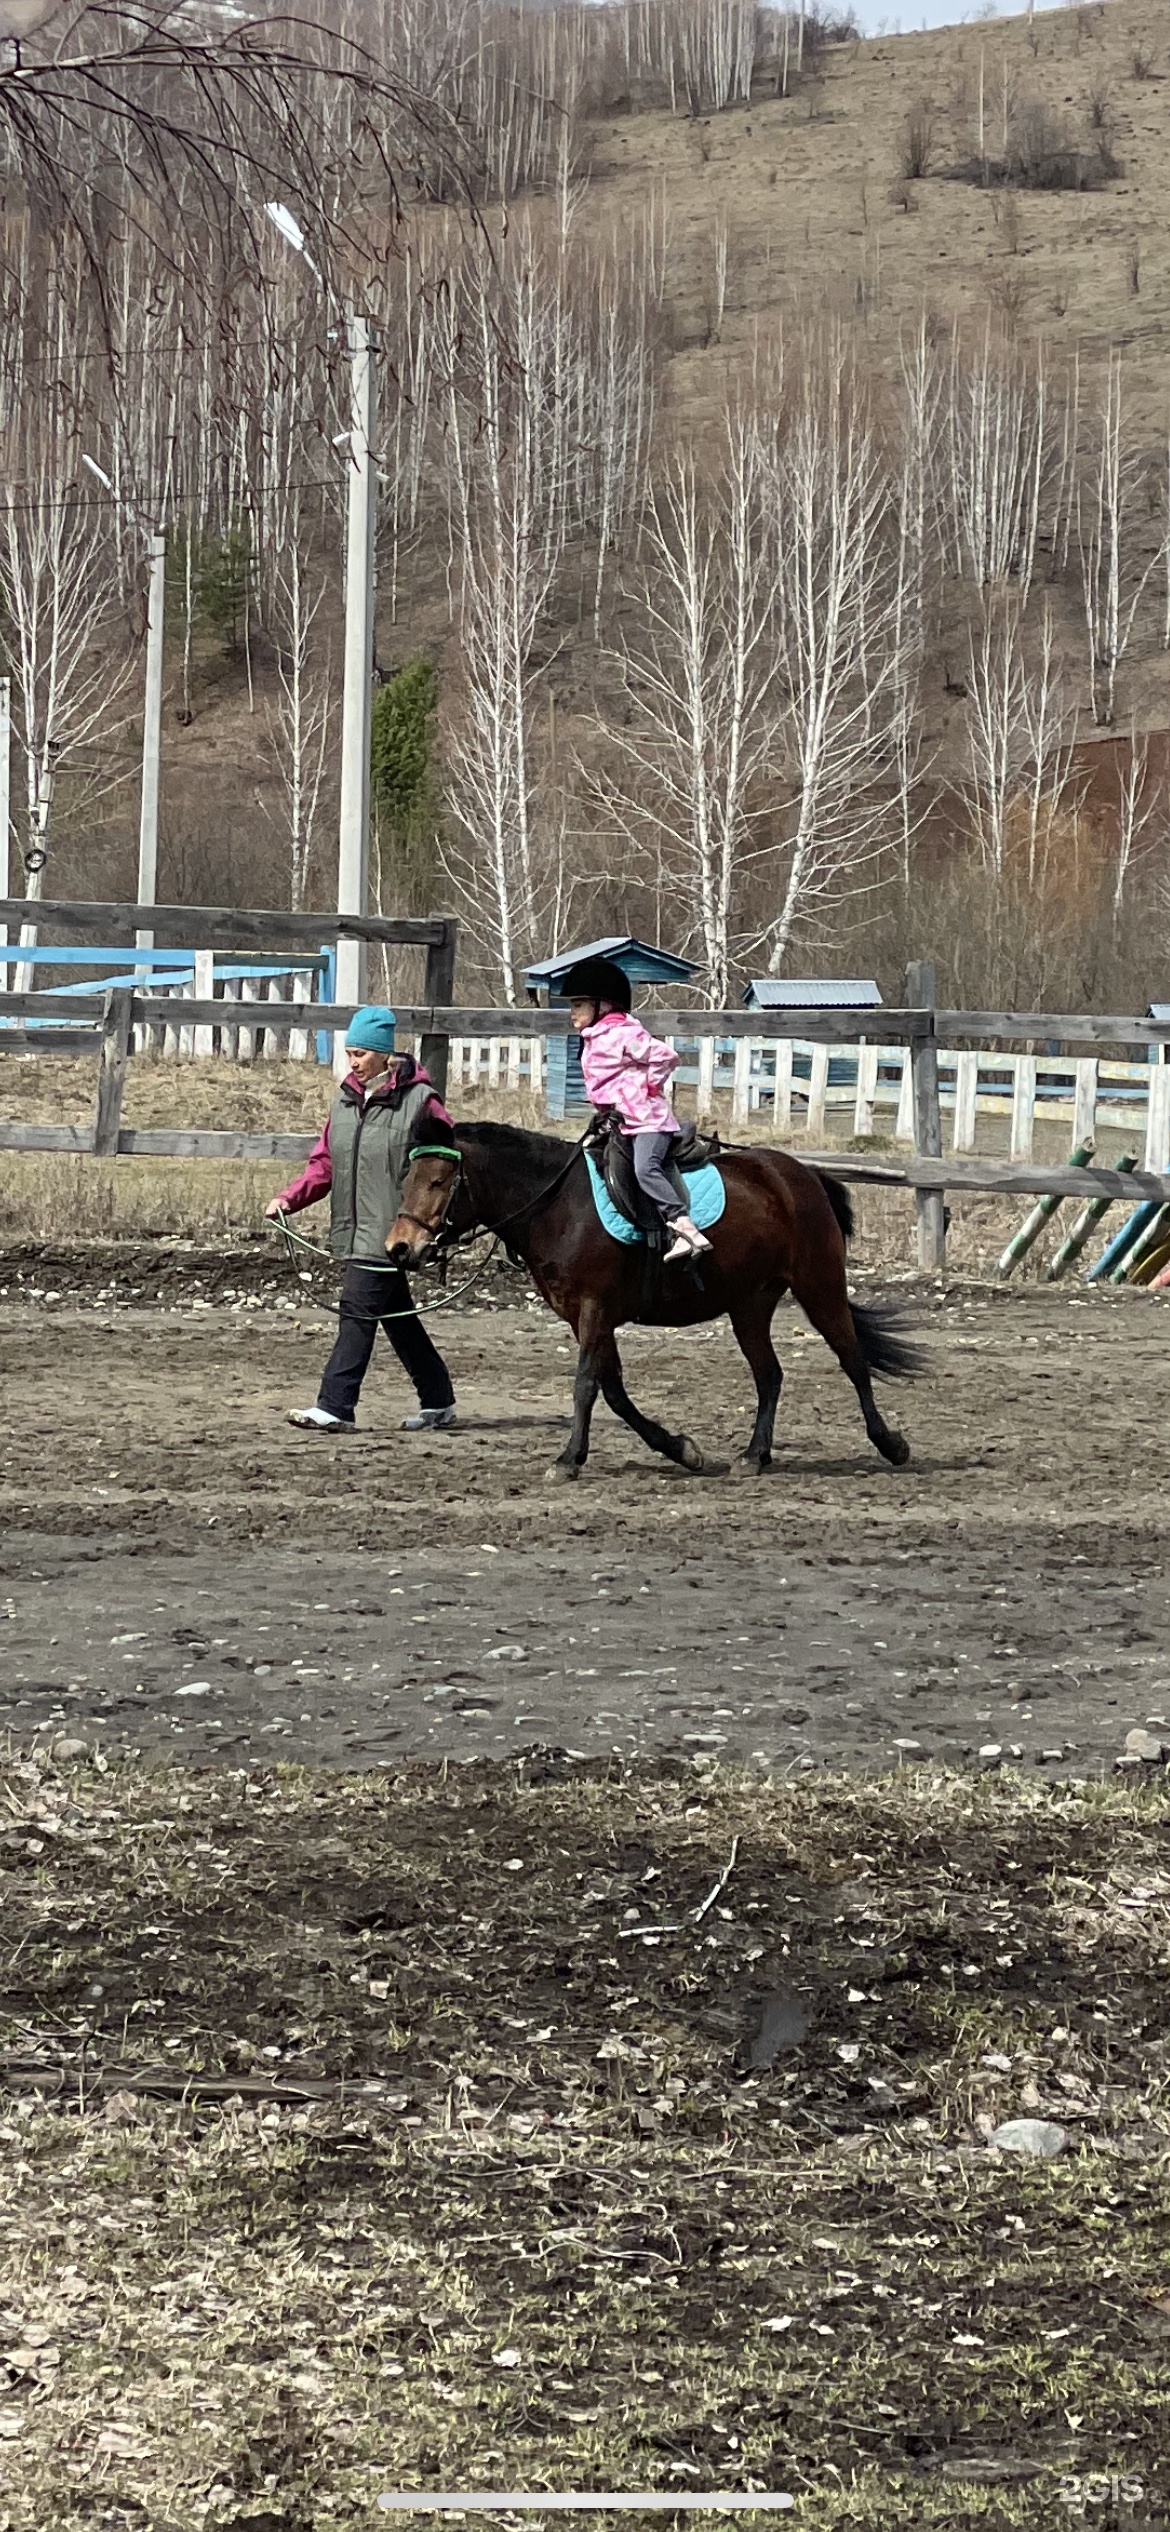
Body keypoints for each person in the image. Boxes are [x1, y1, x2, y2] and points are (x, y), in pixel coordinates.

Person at [265, 1005, 459, 1433]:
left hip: (395, 1230)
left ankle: (335, 1405)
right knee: (397, 1319)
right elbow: (325, 1164)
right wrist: (288, 1200)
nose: (353, 1062)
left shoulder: (422, 1103)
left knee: (356, 1311)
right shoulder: (345, 1099)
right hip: (354, 1230)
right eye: (349, 1053)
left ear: (384, 1054)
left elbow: (442, 1168)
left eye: (361, 1054)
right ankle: (439, 1399)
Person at [564, 956, 712, 1264]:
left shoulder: (623, 1034)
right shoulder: (593, 1038)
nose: (572, 1012)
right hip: (620, 1121)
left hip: (648, 1121)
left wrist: (645, 1087)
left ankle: (683, 1226)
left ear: (601, 1005)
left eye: (578, 1005)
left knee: (645, 1168)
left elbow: (666, 1057)